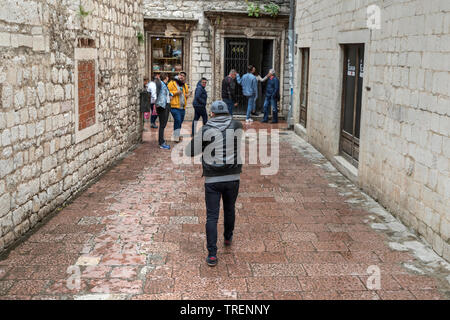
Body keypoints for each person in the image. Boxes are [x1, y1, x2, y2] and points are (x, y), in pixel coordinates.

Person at [185, 100, 243, 267]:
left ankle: (212, 254)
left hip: (212, 179)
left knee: (212, 216)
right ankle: (227, 237)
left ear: (211, 114)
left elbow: (189, 151)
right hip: (232, 177)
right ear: (227, 112)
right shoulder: (237, 125)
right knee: (230, 208)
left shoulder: (206, 129)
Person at [168, 71, 189, 142]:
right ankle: (176, 136)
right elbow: (168, 93)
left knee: (180, 122)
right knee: (178, 120)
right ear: (178, 75)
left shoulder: (184, 85)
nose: (182, 77)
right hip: (174, 106)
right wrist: (176, 92)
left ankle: (177, 134)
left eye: (183, 76)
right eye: (181, 75)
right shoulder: (172, 83)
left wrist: (187, 96)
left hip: (182, 107)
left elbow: (185, 94)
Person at [154, 72, 172, 150]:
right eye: (167, 77)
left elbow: (165, 94)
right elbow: (161, 95)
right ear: (166, 77)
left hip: (164, 105)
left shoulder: (164, 85)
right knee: (162, 125)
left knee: (163, 125)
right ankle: (161, 143)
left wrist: (170, 94)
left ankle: (162, 141)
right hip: (162, 106)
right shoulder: (161, 84)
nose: (168, 78)